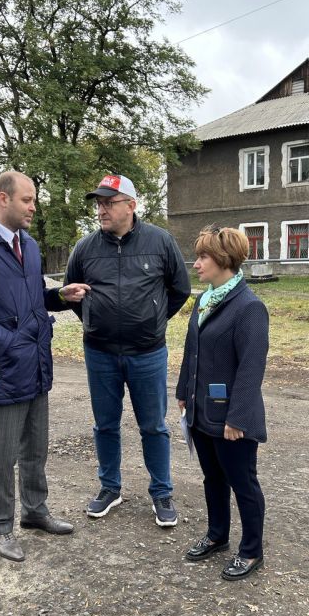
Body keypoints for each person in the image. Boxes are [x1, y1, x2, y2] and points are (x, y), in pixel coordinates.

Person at [0, 170, 89, 562]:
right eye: (27, 199)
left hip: (37, 364)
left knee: (35, 448)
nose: (33, 207)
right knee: (2, 453)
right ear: (2, 199)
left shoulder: (30, 244)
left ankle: (35, 511)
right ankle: (0, 525)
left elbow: (32, 299)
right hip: (4, 368)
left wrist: (60, 296)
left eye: (34, 199)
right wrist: (6, 342)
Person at [64, 173, 191, 527]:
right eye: (99, 204)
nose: (101, 210)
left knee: (153, 426)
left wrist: (151, 320)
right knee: (105, 425)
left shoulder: (160, 241)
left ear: (131, 206)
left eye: (109, 203)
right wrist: (94, 318)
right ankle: (110, 487)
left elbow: (180, 289)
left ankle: (161, 491)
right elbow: (72, 292)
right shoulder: (85, 247)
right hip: (100, 352)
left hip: (147, 353)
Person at [176, 225, 269, 580]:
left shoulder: (249, 307)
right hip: (202, 412)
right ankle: (217, 535)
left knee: (243, 483)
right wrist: (184, 392)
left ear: (224, 260)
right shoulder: (204, 299)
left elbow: (251, 369)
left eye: (203, 257)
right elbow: (192, 352)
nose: (196, 264)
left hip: (233, 420)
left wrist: (238, 418)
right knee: (212, 478)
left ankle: (251, 551)